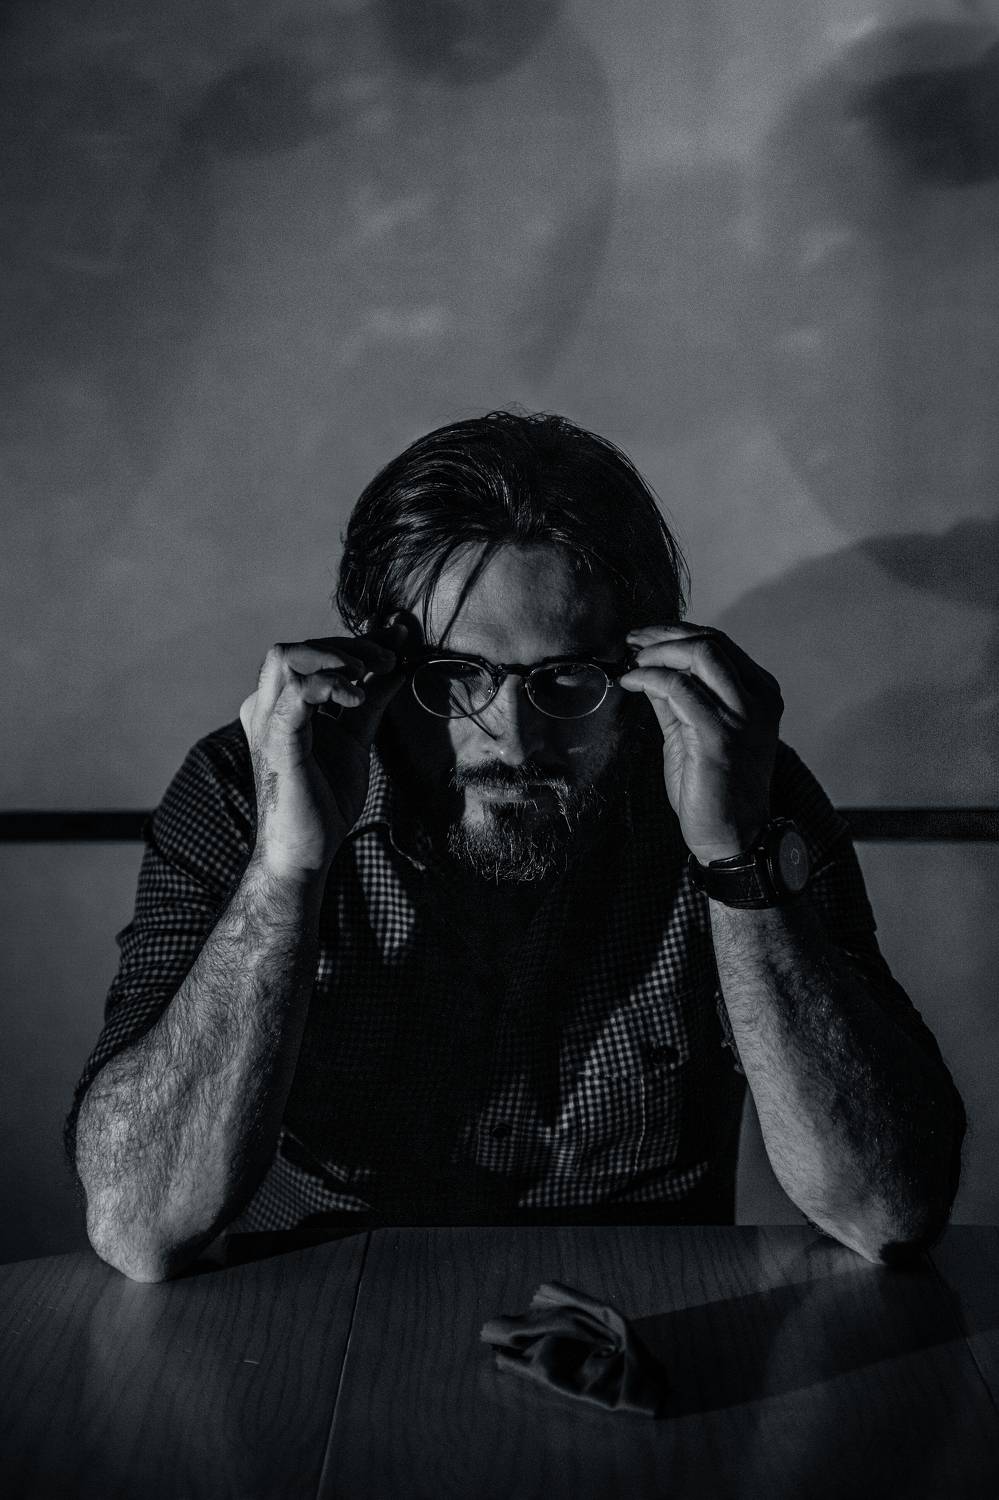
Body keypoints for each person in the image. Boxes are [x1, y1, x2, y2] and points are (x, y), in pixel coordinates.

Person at [66, 411, 965, 1282]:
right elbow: (140, 1224)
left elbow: (887, 1210)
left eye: (565, 678)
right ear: (375, 666)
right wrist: (284, 873)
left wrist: (737, 863)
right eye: (454, 676)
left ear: (642, 667)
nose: (514, 735)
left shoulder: (730, 780)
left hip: (643, 1316)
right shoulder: (250, 784)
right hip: (318, 1319)